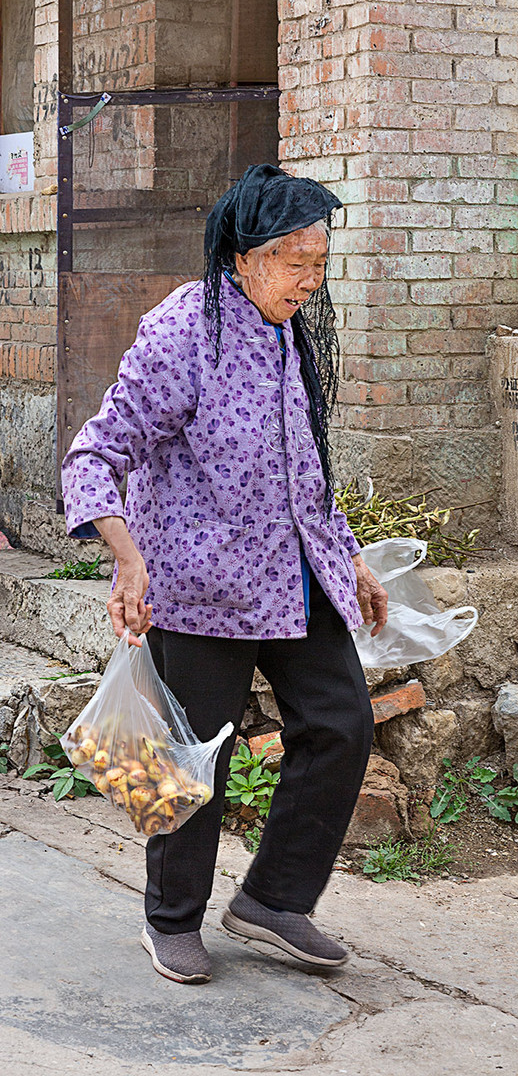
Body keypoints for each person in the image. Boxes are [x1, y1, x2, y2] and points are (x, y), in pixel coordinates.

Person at [61, 164, 388, 985]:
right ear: (243, 258)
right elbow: (95, 453)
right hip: (200, 586)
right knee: (189, 761)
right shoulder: (183, 331)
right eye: (293, 262)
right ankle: (170, 920)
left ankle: (273, 899)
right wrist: (126, 556)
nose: (309, 282)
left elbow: (303, 467)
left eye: (319, 263)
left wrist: (349, 558)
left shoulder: (287, 332)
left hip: (295, 576)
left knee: (341, 722)